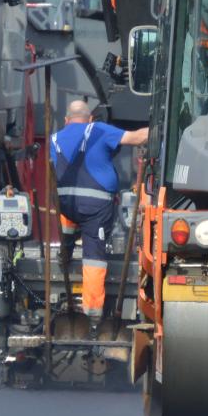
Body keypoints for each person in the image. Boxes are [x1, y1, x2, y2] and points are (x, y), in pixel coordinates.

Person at [52, 100, 148, 335]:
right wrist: (159, 130)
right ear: (90, 119)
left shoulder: (55, 138)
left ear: (66, 120)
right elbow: (135, 138)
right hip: (96, 207)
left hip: (66, 205)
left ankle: (64, 249)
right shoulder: (98, 130)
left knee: (68, 215)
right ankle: (93, 316)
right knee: (94, 255)